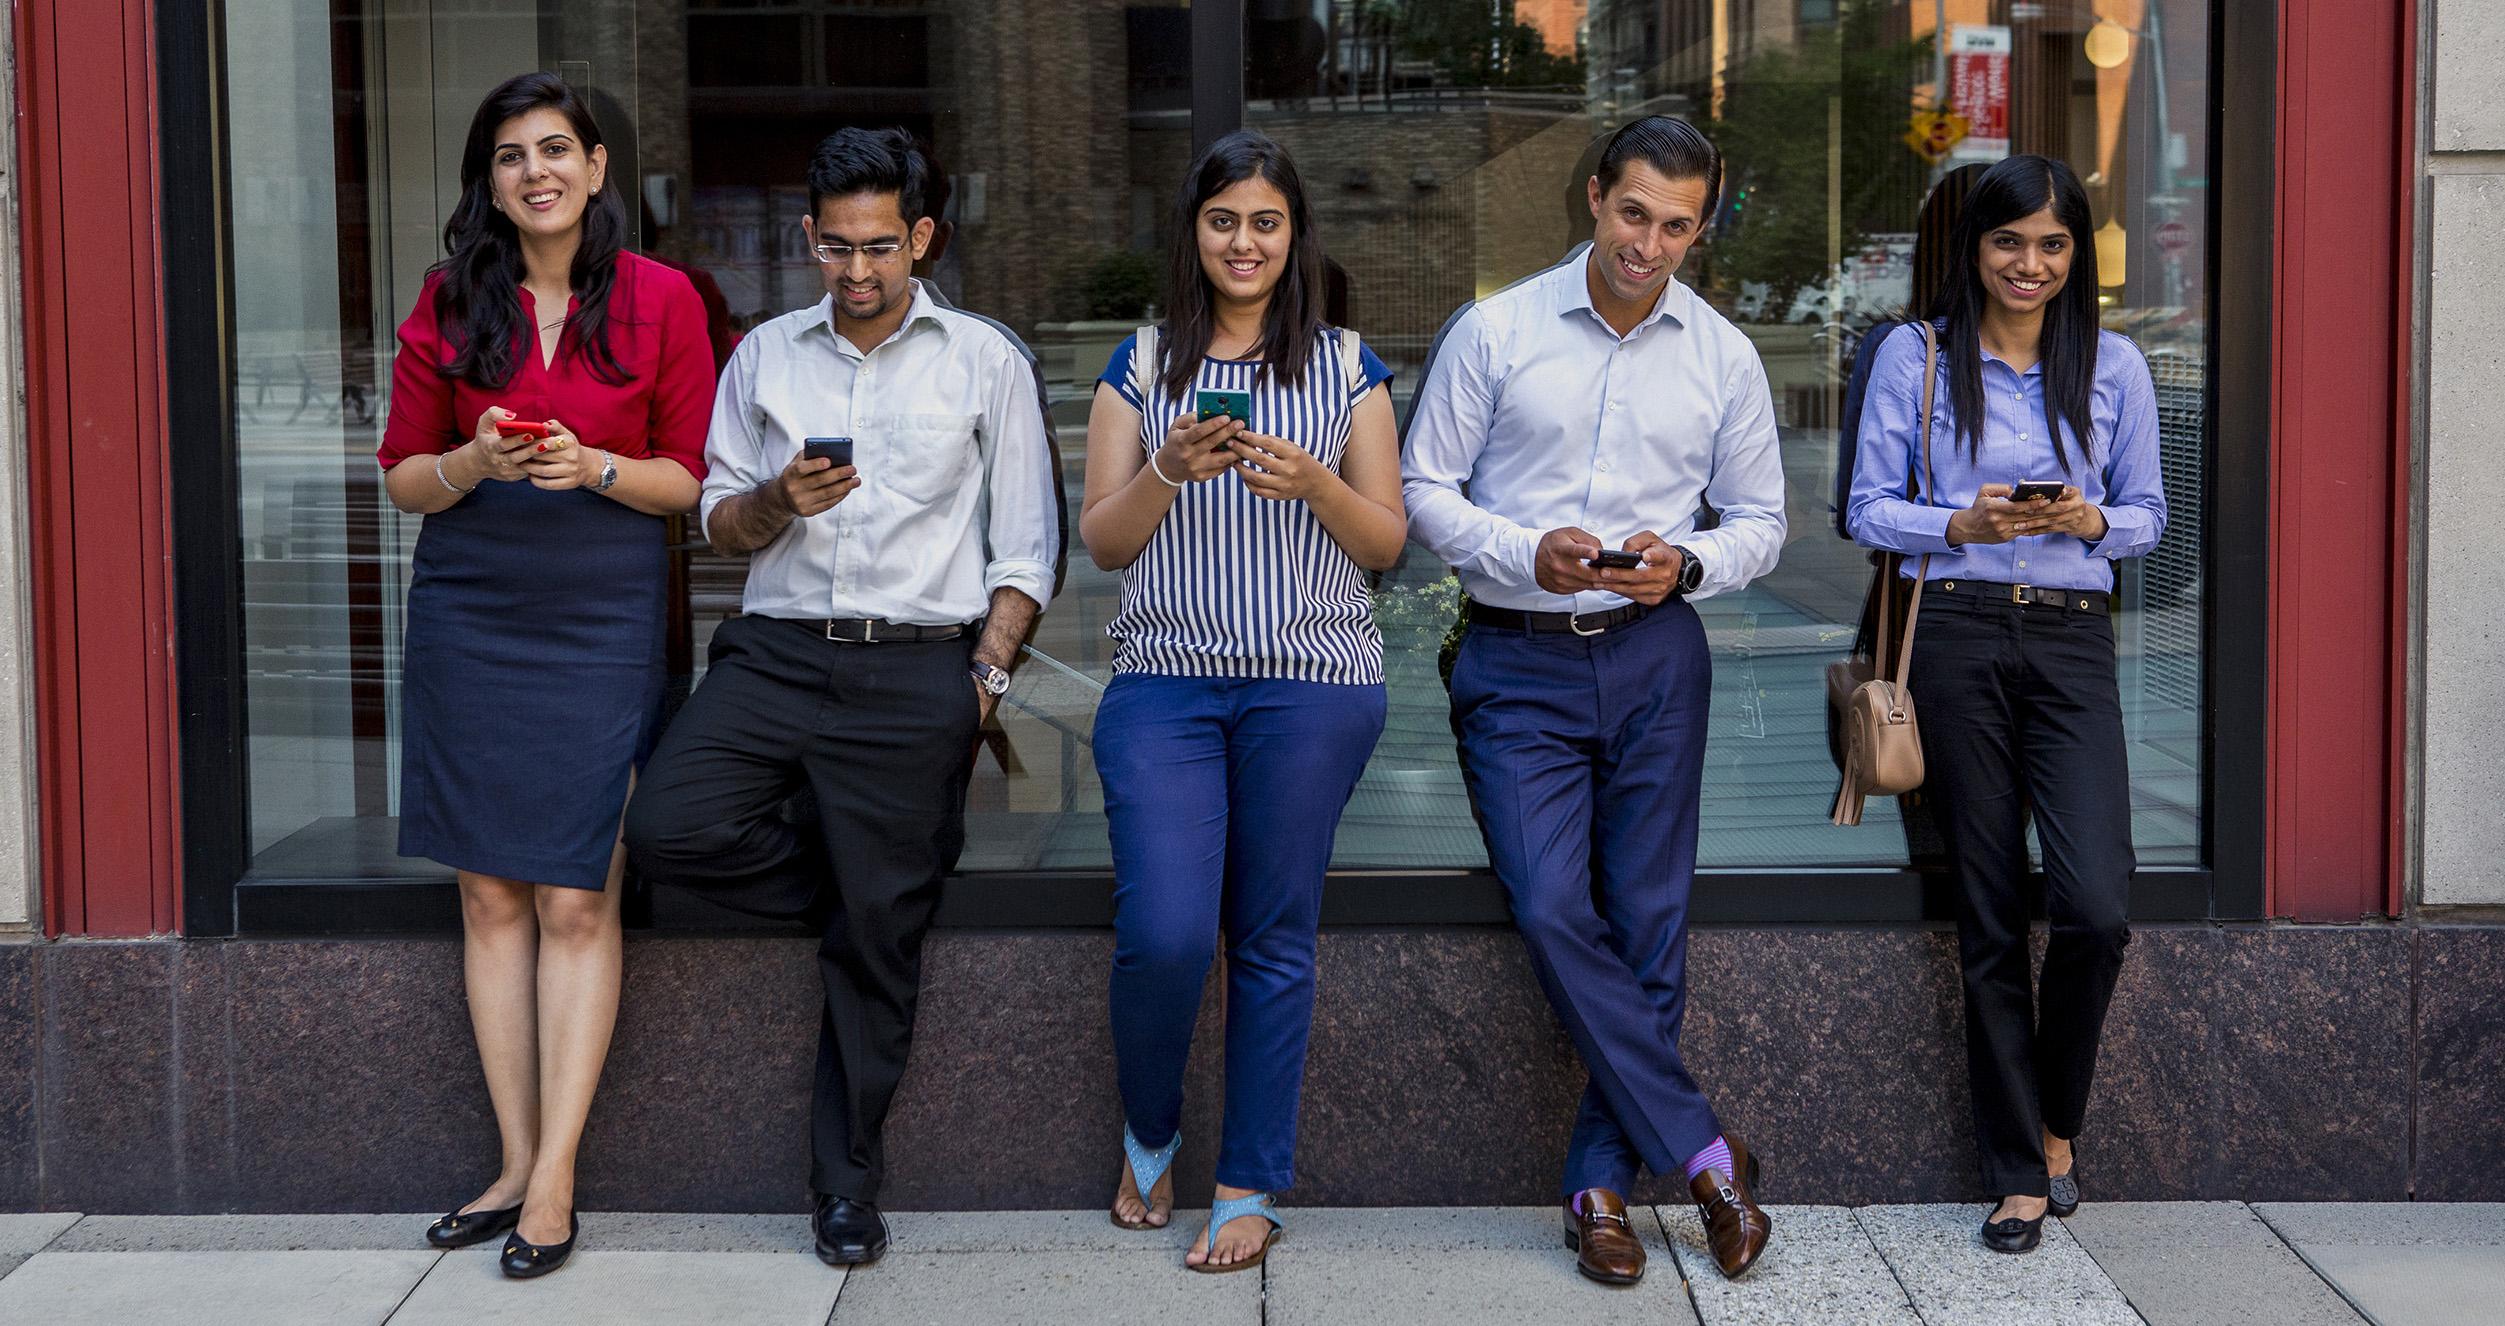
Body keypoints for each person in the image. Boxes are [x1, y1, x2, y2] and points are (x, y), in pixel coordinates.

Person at [620, 127, 1058, 1269]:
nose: (856, 272)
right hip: (774, 653)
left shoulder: (984, 360)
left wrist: (985, 687)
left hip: (919, 668)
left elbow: (1026, 552)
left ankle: (846, 1187)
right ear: (808, 238)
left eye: (879, 246)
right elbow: (716, 519)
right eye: (834, 247)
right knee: (669, 828)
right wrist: (779, 500)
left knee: (878, 949)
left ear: (921, 236)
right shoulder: (765, 355)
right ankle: (872, 880)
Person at [1402, 114, 1785, 1286]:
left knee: (1651, 922)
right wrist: (1528, 551)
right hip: (1516, 659)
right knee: (1554, 904)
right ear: (1592, 197)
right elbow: (1425, 487)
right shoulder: (1498, 330)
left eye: (1677, 224)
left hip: (1657, 652)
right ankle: (1710, 1159)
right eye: (1634, 214)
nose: (1649, 244)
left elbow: (1762, 522)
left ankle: (1601, 1189)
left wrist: (1693, 566)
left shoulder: (1723, 353)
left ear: (1701, 226)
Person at [378, 72, 713, 1279]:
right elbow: (405, 477)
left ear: (598, 167)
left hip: (601, 612)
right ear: (493, 181)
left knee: (578, 892)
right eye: (513, 155)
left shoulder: (665, 299)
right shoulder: (448, 296)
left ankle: (559, 1177)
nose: (537, 172)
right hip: (473, 605)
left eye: (557, 149)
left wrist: (598, 469)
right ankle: (514, 1164)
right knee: (489, 896)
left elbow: (692, 479)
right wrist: (472, 457)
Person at [1079, 130, 1404, 1275]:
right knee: (1166, 932)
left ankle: (1249, 1179)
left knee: (1273, 938)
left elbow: (1384, 543)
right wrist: (1167, 469)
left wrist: (1312, 478)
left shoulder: (1349, 365)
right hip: (1165, 682)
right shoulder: (1141, 363)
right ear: (1194, 232)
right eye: (1224, 220)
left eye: (1266, 221)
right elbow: (1105, 543)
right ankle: (1149, 1128)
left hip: (1312, 682)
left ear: (1293, 234)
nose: (1245, 242)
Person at [1846, 153, 2167, 1254]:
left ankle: (2058, 1120)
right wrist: (1959, 524)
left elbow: (2149, 518)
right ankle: (2018, 1172)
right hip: (1959, 635)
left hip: (2073, 641)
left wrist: (2088, 523)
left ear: (2076, 256)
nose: (2028, 264)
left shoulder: (2114, 365)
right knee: (1987, 907)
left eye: (2051, 244)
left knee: (2094, 906)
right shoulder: (1917, 356)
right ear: (1973, 249)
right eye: (2007, 242)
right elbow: (1866, 509)